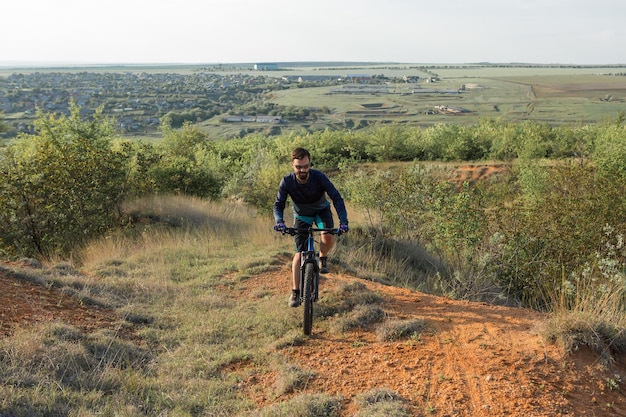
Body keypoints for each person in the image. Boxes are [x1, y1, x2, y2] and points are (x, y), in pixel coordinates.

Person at [273, 147, 349, 307]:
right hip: (301, 216)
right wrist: (279, 221)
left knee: (327, 236)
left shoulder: (319, 177)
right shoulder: (287, 181)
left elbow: (336, 198)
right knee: (299, 254)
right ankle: (295, 292)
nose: (303, 170)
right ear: (292, 165)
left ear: (310, 164)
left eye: (306, 166)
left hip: (321, 211)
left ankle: (322, 257)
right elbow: (278, 204)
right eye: (298, 167)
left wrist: (343, 221)